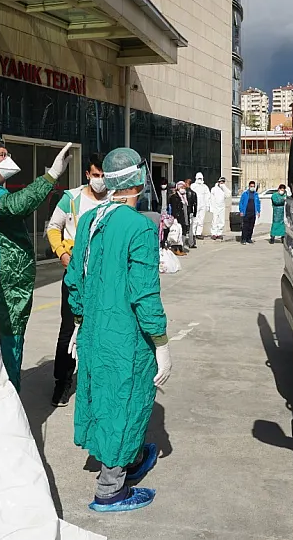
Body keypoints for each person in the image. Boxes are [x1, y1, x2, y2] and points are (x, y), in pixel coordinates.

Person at [64, 147, 172, 513]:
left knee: (102, 396)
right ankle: (110, 489)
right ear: (138, 179)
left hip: (95, 329)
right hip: (125, 334)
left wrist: (78, 323)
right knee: (124, 401)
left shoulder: (91, 219)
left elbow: (74, 278)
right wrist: (160, 341)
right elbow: (144, 292)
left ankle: (125, 457)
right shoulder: (140, 226)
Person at [0, 133, 71, 391]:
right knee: (6, 345)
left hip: (6, 282)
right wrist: (51, 176)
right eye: (2, 155)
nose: (9, 160)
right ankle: (8, 400)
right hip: (1, 282)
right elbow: (13, 206)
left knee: (6, 342)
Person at [45, 152, 108, 407]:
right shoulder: (71, 198)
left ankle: (96, 383)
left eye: (104, 176)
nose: (100, 180)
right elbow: (52, 227)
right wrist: (60, 252)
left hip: (104, 276)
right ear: (87, 174)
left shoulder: (114, 201)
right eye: (96, 175)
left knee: (101, 329)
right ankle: (62, 382)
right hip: (75, 276)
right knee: (69, 329)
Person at [168, 181, 193, 253]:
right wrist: (175, 218)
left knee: (184, 232)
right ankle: (176, 249)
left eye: (183, 187)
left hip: (185, 217)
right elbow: (174, 208)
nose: (183, 189)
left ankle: (181, 247)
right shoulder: (174, 197)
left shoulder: (185, 197)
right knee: (177, 233)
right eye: (181, 187)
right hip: (178, 218)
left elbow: (187, 207)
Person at [190, 172, 211, 240]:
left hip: (203, 205)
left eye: (200, 178)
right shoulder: (193, 186)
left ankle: (198, 233)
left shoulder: (205, 187)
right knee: (194, 220)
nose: (199, 179)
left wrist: (207, 205)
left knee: (201, 220)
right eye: (198, 178)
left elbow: (208, 196)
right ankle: (193, 233)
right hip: (195, 205)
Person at [182, 179, 199, 248]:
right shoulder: (193, 193)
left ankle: (182, 243)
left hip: (185, 212)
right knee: (190, 228)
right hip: (191, 212)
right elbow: (195, 204)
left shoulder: (183, 193)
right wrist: (195, 213)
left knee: (184, 227)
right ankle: (191, 243)